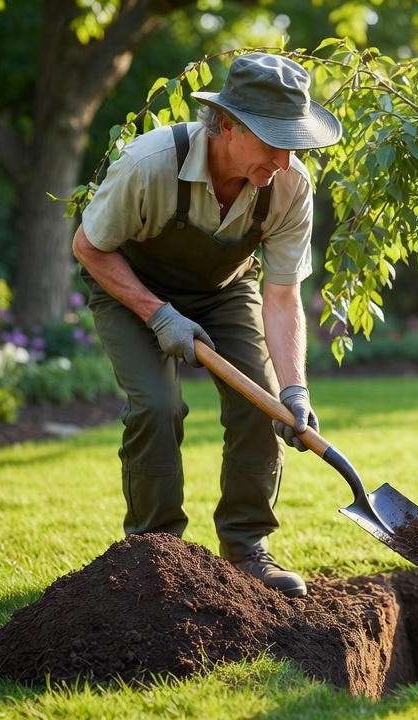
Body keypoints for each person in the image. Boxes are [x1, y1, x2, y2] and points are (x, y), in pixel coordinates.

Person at [71, 53, 343, 597]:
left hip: (224, 290)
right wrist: (157, 313)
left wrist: (295, 387)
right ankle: (155, 554)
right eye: (274, 142)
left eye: (294, 144)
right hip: (130, 288)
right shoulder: (149, 163)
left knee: (263, 402)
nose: (286, 160)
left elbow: (283, 292)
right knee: (157, 405)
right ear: (226, 126)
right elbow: (88, 247)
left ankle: (246, 550)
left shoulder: (290, 186)